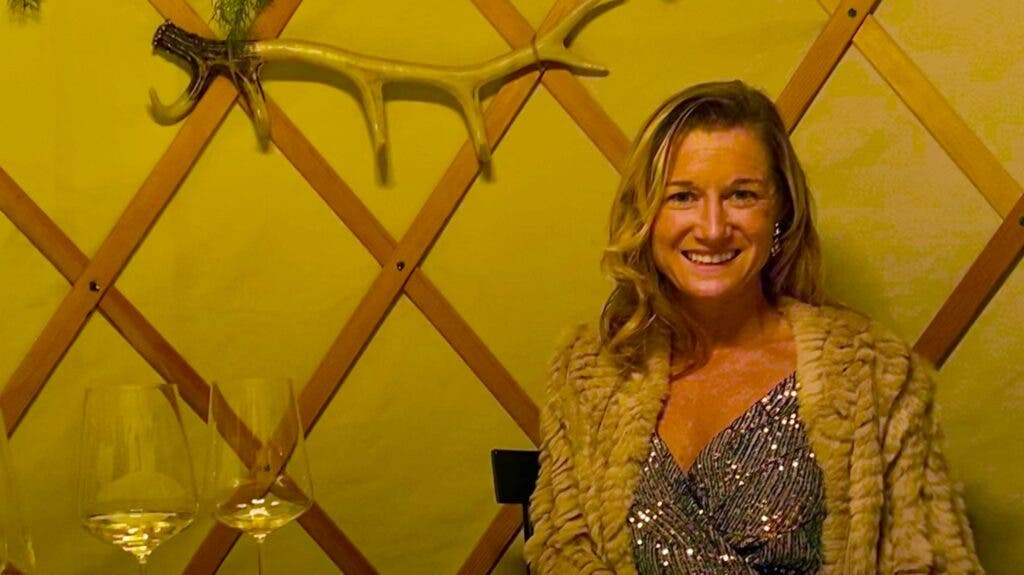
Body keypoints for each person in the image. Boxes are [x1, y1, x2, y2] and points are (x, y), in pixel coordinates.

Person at [522, 80, 982, 574]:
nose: (713, 227)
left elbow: (929, 563)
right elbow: (561, 554)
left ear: (780, 210)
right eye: (682, 196)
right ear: (646, 214)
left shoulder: (873, 378)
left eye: (741, 194)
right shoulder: (591, 377)